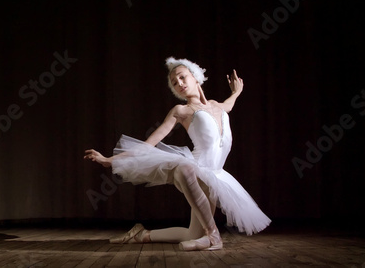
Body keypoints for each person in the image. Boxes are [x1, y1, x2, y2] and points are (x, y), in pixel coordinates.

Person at [84, 57, 271, 251]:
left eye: (182, 77)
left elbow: (229, 105)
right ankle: (214, 236)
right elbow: (149, 145)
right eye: (174, 82)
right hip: (197, 172)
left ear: (195, 77)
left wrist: (236, 92)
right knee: (183, 167)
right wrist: (110, 160)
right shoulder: (182, 110)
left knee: (193, 234)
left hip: (216, 176)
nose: (179, 84)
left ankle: (141, 235)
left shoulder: (216, 105)